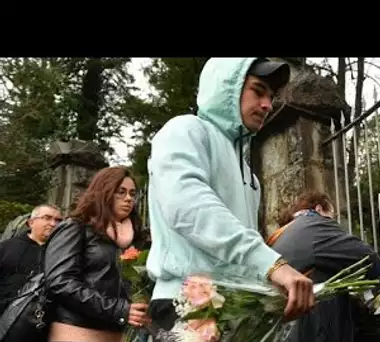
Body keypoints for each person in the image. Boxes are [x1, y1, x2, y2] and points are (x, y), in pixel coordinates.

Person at [146, 57, 315, 334]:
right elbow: (189, 208)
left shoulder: (251, 176)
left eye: (271, 97)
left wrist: (268, 291)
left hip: (235, 307)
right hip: (185, 302)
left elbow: (238, 252)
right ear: (227, 88)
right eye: (258, 91)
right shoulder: (186, 130)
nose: (267, 105)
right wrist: (272, 265)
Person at [268, 190, 380, 342]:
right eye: (332, 216)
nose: (334, 223)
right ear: (319, 209)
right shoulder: (316, 225)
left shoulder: (281, 234)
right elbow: (367, 258)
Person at [43, 166, 149, 342]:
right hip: (75, 331)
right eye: (120, 192)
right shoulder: (76, 227)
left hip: (118, 334)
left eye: (132, 193)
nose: (128, 198)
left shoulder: (136, 238)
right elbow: (60, 282)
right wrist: (119, 310)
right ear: (103, 193)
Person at [0, 204, 63, 339]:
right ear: (31, 222)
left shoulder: (63, 254)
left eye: (58, 220)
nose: (53, 223)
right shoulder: (7, 247)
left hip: (44, 327)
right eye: (47, 218)